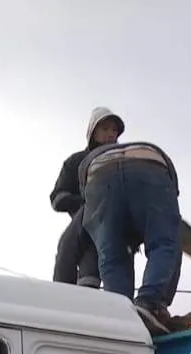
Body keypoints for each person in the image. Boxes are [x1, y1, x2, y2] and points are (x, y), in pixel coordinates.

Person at [77, 131, 183, 333]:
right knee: (163, 242)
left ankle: (120, 311)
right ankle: (149, 302)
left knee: (112, 255)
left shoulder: (83, 219)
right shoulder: (152, 208)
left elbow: (67, 249)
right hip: (149, 163)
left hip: (98, 173)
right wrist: (161, 300)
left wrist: (68, 298)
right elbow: (173, 245)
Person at [49, 107, 124, 287]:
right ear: (93, 132)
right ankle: (64, 293)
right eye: (105, 129)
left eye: (114, 130)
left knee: (102, 262)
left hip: (117, 226)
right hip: (83, 222)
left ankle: (94, 295)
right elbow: (57, 198)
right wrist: (86, 201)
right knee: (67, 249)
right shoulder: (76, 162)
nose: (111, 134)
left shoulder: (124, 163)